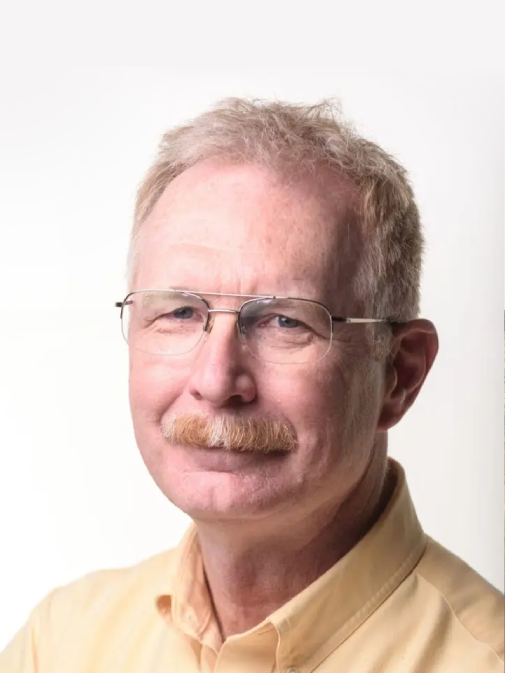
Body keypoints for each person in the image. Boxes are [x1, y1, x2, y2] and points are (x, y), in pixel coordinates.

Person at [1, 97, 502, 673]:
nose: (216, 382)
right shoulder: (63, 644)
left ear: (400, 374)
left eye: (285, 320)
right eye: (181, 312)